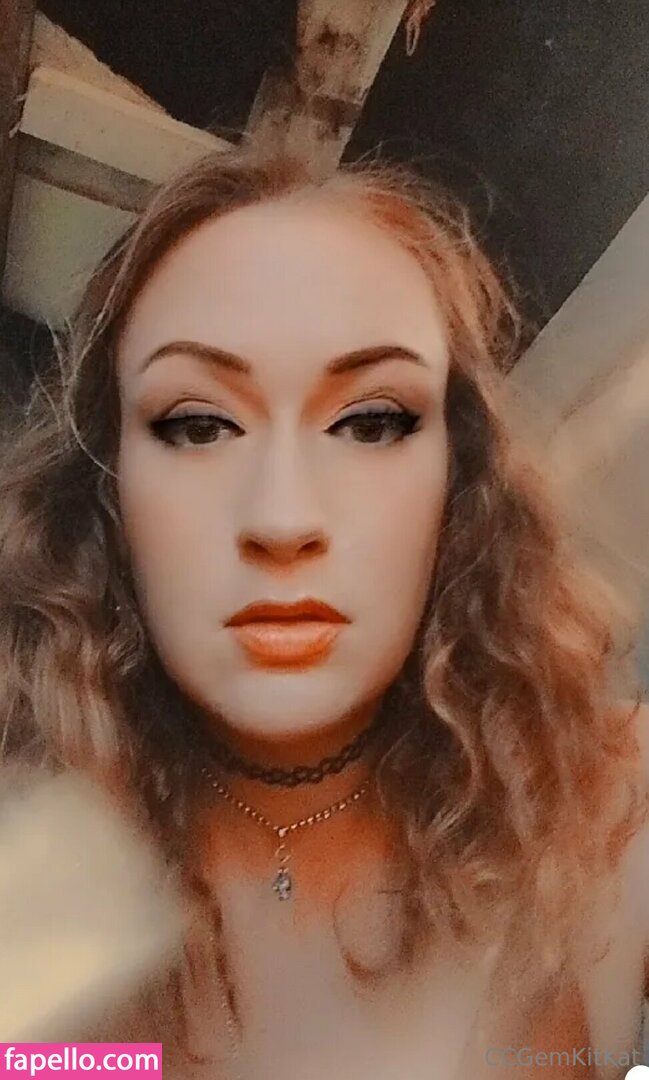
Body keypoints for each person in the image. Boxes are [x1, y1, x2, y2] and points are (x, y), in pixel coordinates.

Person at [0, 146, 647, 1079]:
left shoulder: (614, 805)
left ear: (459, 479)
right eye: (199, 424)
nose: (282, 519)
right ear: (108, 494)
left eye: (370, 422)